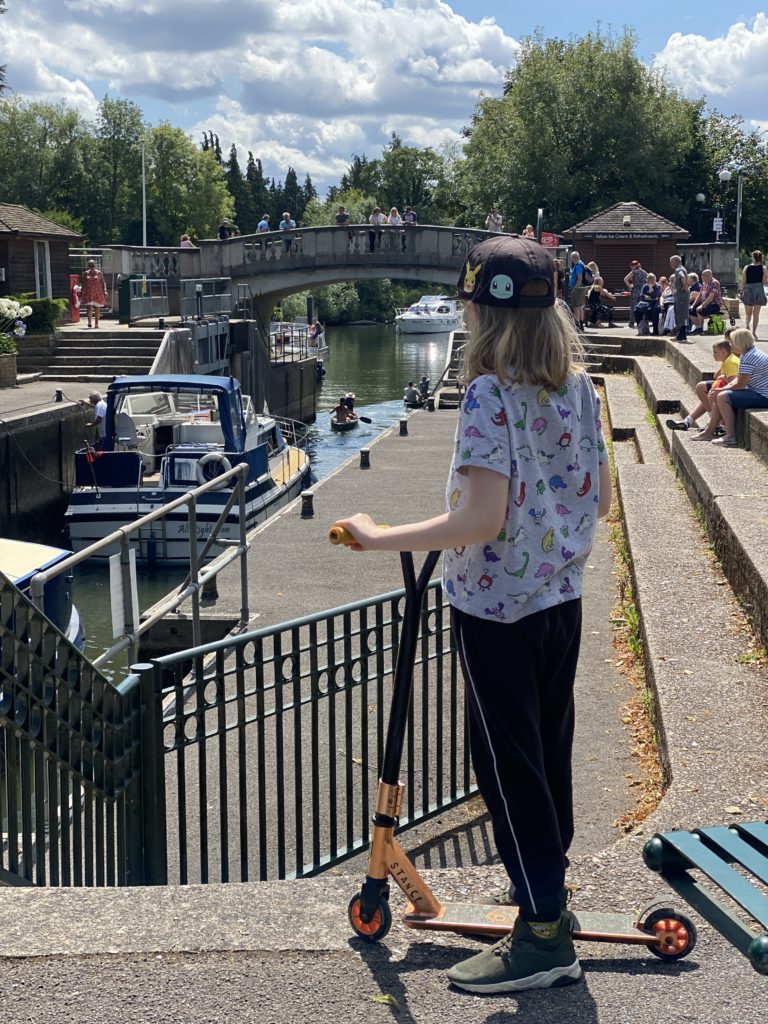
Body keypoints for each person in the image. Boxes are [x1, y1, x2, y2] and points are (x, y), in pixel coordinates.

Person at [334, 234, 611, 993]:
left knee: (505, 765)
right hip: (560, 600)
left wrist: (379, 536)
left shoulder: (491, 394)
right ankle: (545, 894)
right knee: (546, 755)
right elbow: (597, 499)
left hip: (496, 611)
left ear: (483, 316)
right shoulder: (580, 388)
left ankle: (545, 937)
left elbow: (482, 520)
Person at [691, 327, 768, 446]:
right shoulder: (748, 353)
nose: (730, 344)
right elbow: (739, 378)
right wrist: (721, 389)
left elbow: (741, 384)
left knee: (723, 396)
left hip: (762, 396)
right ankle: (709, 431)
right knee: (721, 394)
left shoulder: (749, 357)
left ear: (740, 342)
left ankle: (730, 435)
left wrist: (722, 389)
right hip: (758, 392)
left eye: (732, 342)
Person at [667, 334, 740, 430]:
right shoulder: (726, 359)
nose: (713, 355)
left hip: (731, 390)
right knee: (702, 388)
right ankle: (688, 421)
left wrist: (722, 378)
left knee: (707, 392)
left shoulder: (731, 362)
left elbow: (733, 382)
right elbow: (716, 376)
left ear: (723, 352)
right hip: (725, 385)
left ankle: (713, 423)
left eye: (715, 352)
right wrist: (721, 375)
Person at [741, 250, 767, 338]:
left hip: (748, 289)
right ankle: (754, 332)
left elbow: (743, 281)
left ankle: (747, 325)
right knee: (756, 314)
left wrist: (741, 291)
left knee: (748, 313)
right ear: (761, 257)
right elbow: (764, 281)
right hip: (758, 289)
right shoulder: (763, 268)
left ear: (752, 257)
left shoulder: (746, 267)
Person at [689, 269, 723, 334]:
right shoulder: (704, 283)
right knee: (690, 310)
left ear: (708, 276)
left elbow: (711, 297)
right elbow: (700, 295)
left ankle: (700, 329)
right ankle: (698, 327)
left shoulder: (714, 283)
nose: (701, 276)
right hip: (706, 304)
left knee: (699, 310)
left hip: (714, 305)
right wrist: (693, 305)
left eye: (703, 275)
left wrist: (702, 305)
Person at [669, 255, 690, 342]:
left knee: (681, 316)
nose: (670, 264)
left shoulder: (679, 270)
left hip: (681, 298)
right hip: (680, 298)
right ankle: (681, 335)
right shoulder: (681, 269)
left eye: (671, 262)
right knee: (681, 316)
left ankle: (681, 336)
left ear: (676, 262)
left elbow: (682, 277)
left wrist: (685, 286)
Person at [81, 259, 107, 328]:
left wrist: (105, 290)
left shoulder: (99, 273)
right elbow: (83, 283)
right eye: (90, 265)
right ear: (88, 266)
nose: (91, 266)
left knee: (97, 308)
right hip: (88, 292)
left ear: (95, 265)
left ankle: (96, 323)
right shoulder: (86, 273)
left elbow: (103, 282)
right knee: (89, 307)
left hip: (97, 292)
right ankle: (89, 322)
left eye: (92, 265)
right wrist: (81, 292)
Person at [623, 260, 648, 329]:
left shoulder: (633, 272)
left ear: (634, 266)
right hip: (642, 292)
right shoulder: (644, 272)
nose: (631, 268)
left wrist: (630, 286)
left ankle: (631, 323)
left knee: (633, 307)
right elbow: (648, 280)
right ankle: (640, 323)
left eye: (631, 266)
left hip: (634, 292)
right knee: (641, 307)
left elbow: (625, 279)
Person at [569, 250, 586, 331]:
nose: (571, 259)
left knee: (576, 307)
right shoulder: (581, 264)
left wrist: (574, 289)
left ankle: (577, 325)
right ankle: (581, 324)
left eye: (571, 258)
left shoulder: (578, 265)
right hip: (582, 288)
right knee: (580, 307)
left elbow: (579, 279)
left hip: (578, 289)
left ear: (574, 257)